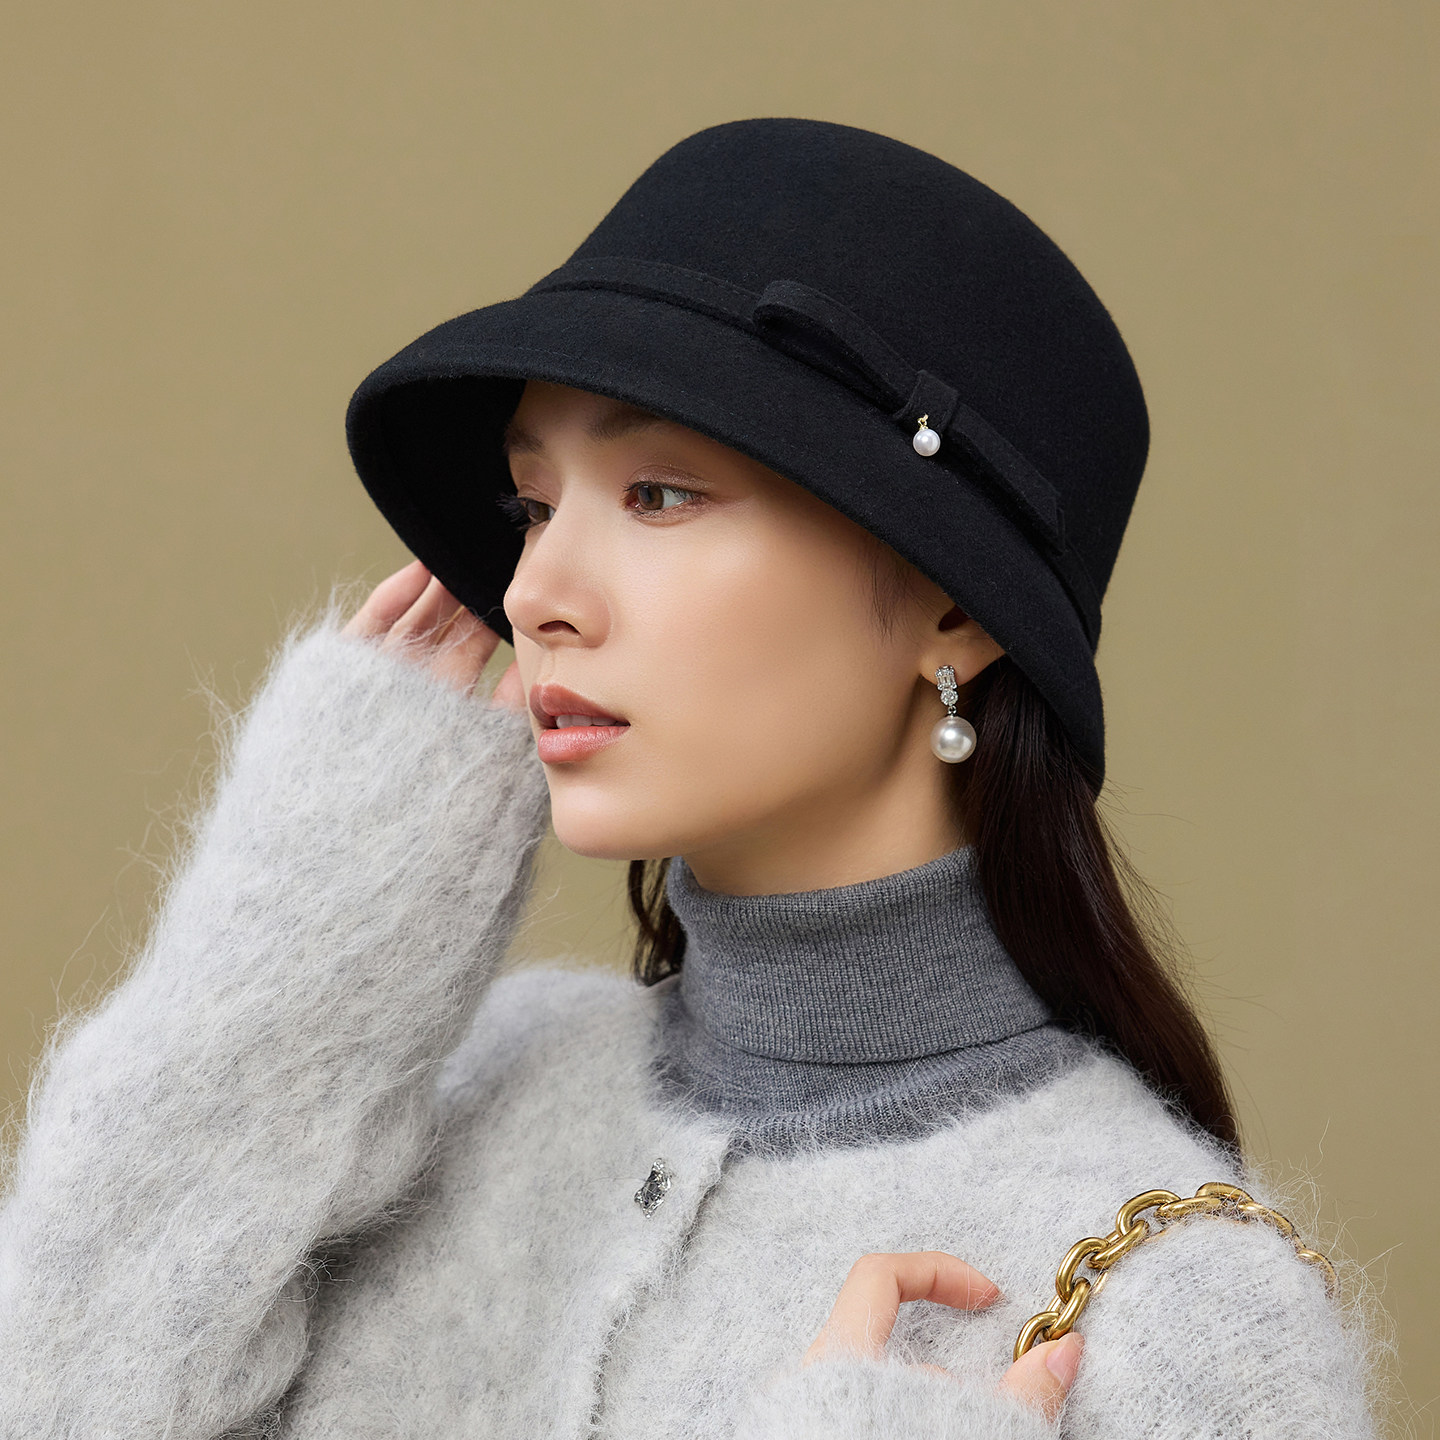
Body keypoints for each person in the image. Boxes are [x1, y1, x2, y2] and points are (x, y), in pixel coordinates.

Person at [0, 120, 1381, 1437]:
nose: (532, 592)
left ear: (956, 606)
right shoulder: (469, 1089)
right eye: (534, 506)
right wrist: (307, 946)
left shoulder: (1184, 1315)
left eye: (660, 495)